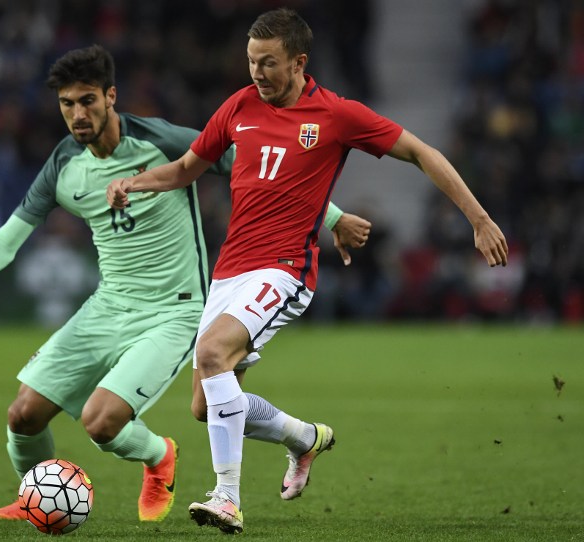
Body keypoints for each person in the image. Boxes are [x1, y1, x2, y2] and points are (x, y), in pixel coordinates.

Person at [0, 44, 372, 524]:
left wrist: (332, 217)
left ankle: (160, 456)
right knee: (23, 415)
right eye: (67, 104)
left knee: (102, 422)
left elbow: (262, 173)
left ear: (110, 96)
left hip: (175, 311)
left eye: (87, 101)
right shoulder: (64, 166)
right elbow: (10, 238)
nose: (78, 114)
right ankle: (36, 501)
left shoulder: (160, 140)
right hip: (108, 304)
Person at [107, 8, 509, 534]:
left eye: (268, 63)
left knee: (210, 355)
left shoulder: (336, 115)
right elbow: (187, 168)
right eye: (251, 61)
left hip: (285, 270)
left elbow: (420, 151)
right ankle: (303, 438)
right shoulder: (238, 107)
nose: (256, 73)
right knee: (206, 407)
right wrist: (134, 182)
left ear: (299, 62)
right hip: (230, 272)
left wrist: (478, 220)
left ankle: (227, 497)